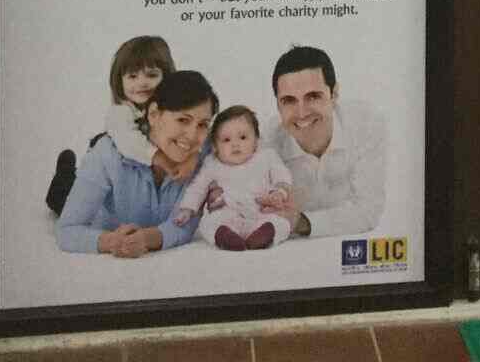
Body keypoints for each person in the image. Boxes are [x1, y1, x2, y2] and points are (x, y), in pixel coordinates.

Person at [55, 69, 218, 257]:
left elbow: (182, 225)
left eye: (202, 124)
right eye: (183, 120)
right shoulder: (107, 152)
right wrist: (111, 241)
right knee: (60, 196)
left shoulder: (205, 158)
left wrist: (146, 239)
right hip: (91, 200)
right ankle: (64, 175)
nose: (192, 135)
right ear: (154, 114)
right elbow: (67, 230)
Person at [257, 45, 388, 238]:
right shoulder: (265, 143)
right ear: (277, 104)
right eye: (289, 100)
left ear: (334, 94)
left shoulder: (366, 124)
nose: (302, 113)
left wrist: (300, 222)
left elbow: (368, 211)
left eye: (313, 96)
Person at [45, 35, 176, 215]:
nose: (142, 82)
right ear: (119, 81)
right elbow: (128, 140)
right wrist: (156, 156)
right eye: (132, 76)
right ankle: (63, 178)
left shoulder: (169, 111)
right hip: (112, 171)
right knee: (79, 204)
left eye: (152, 75)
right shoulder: (120, 112)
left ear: (167, 77)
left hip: (138, 180)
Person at [172, 105, 294, 251]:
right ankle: (225, 237)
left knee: (281, 222)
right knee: (209, 222)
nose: (235, 144)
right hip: (229, 212)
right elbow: (198, 187)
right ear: (215, 146)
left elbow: (282, 173)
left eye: (243, 137)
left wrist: (279, 192)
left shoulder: (266, 156)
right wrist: (187, 209)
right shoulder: (212, 164)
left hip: (262, 211)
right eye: (226, 140)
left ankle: (265, 235)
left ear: (256, 139)